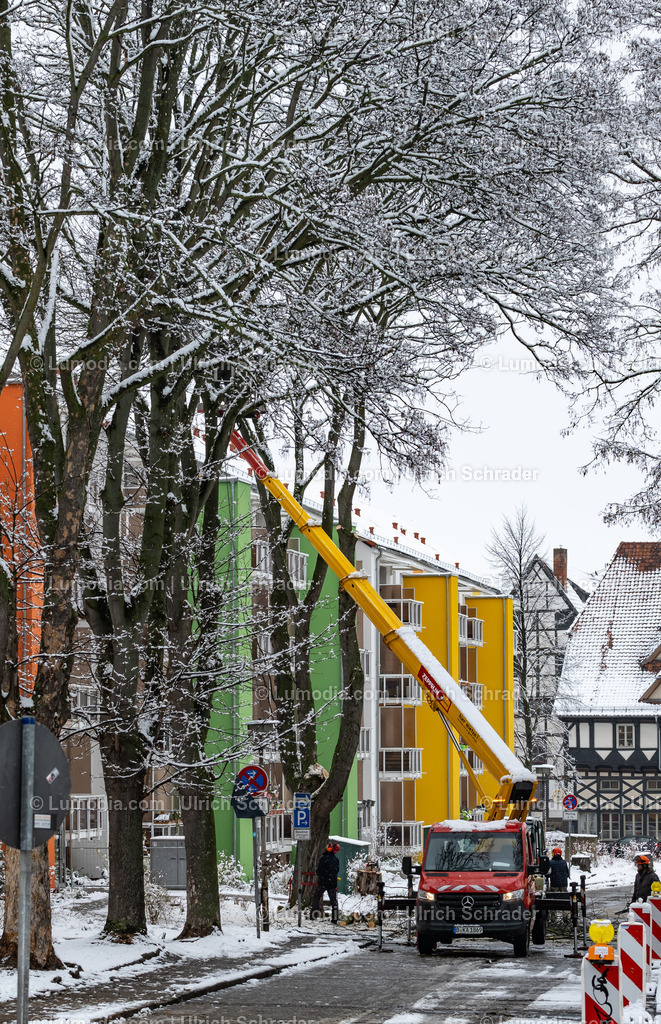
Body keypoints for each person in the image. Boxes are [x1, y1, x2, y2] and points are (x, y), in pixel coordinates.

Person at [310, 842, 340, 922]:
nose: (326, 846)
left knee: (316, 897)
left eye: (328, 845)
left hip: (323, 882)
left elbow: (319, 870)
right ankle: (335, 918)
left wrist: (319, 874)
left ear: (330, 848)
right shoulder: (336, 860)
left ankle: (313, 916)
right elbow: (337, 870)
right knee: (334, 901)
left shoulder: (324, 858)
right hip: (332, 883)